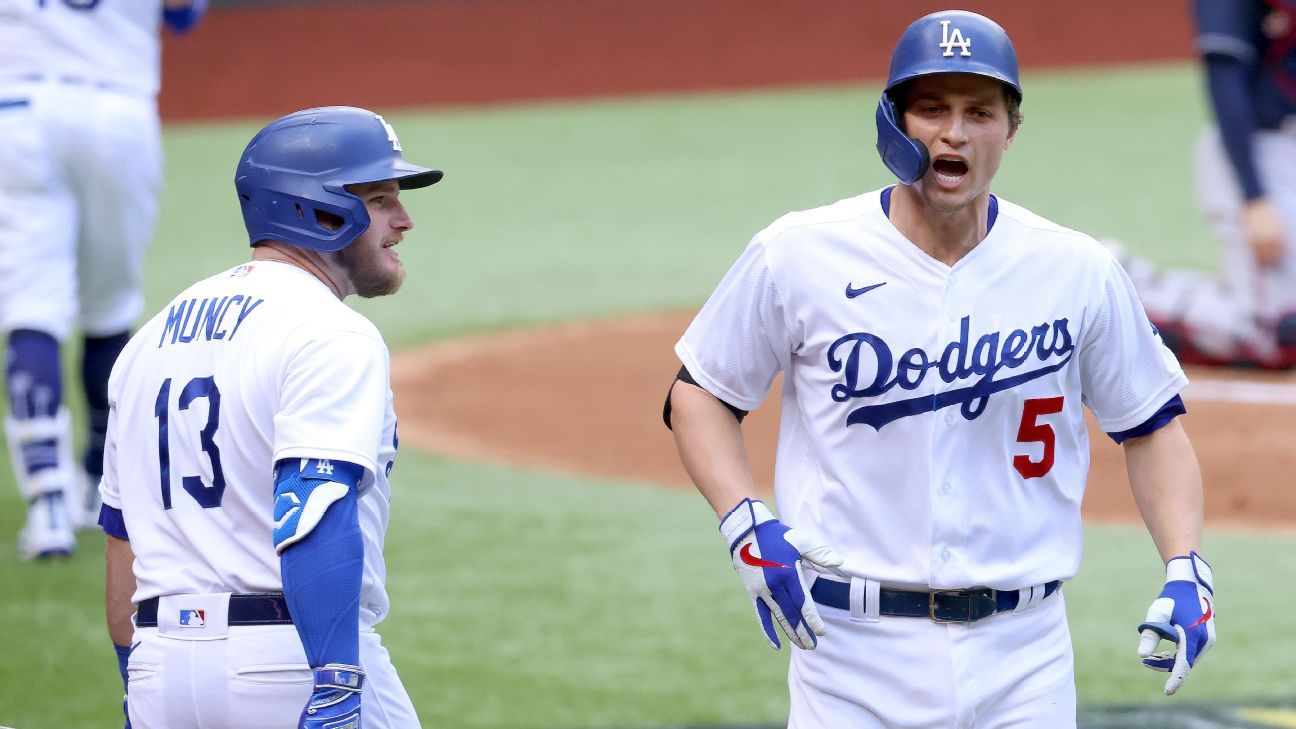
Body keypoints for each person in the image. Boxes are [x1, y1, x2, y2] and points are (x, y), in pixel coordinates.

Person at [664, 10, 1216, 727]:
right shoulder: (799, 254)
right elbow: (700, 390)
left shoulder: (1076, 270)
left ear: (1011, 130)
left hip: (1025, 655)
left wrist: (1185, 565)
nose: (954, 132)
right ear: (893, 122)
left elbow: (1151, 425)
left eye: (978, 112)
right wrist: (744, 521)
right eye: (931, 109)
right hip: (850, 656)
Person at [100, 106, 441, 728]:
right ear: (319, 207)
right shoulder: (330, 333)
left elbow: (122, 538)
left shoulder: (147, 342)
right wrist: (337, 686)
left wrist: (137, 685)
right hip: (292, 664)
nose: (405, 220)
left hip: (159, 663)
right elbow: (314, 506)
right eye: (383, 198)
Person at [0, 0, 208, 560]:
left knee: (31, 307)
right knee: (110, 306)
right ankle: (98, 479)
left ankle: (47, 506)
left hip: (17, 107)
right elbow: (184, 13)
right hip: (118, 109)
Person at [1126, 0, 1296, 369]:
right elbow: (1225, 79)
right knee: (1279, 335)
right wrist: (1254, 198)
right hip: (1262, 153)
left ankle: (1156, 285)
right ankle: (1119, 295)